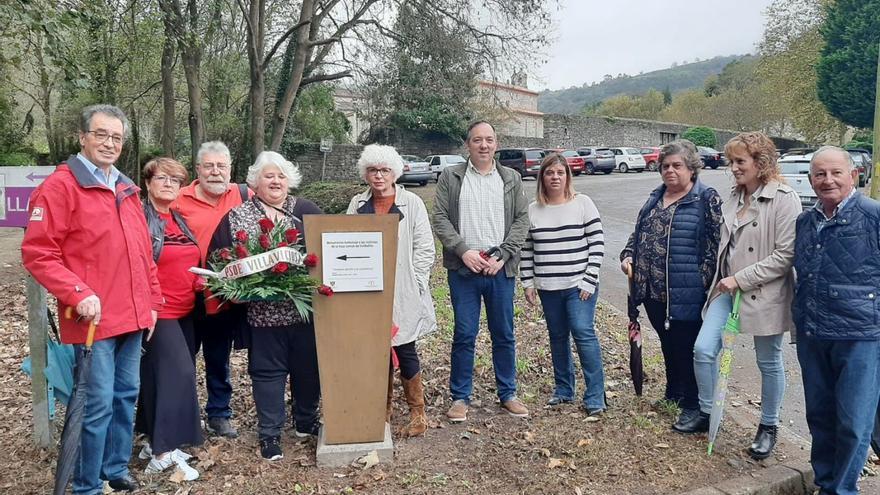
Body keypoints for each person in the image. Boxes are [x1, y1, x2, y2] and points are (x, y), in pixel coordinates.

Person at [21, 104, 162, 494]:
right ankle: (86, 483)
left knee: (124, 396)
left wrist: (152, 303)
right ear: (82, 137)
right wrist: (77, 292)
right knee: (96, 404)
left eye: (116, 137)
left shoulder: (126, 188)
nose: (109, 143)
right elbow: (38, 253)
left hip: (133, 315)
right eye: (101, 134)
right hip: (92, 320)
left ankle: (114, 468)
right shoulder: (60, 187)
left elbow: (142, 253)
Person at [690, 133, 800, 459]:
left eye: (741, 161)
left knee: (768, 361)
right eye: (731, 162)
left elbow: (785, 256)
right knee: (703, 348)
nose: (734, 168)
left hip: (764, 291)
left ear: (761, 162)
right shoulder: (734, 197)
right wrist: (723, 280)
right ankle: (708, 413)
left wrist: (741, 278)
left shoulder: (784, 198)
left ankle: (768, 426)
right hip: (726, 288)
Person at [209, 151, 323, 461]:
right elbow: (219, 261)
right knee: (267, 373)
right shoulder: (237, 217)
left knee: (308, 369)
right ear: (255, 182)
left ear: (290, 181)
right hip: (262, 314)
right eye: (268, 175)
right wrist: (230, 290)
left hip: (306, 312)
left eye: (281, 176)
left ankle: (305, 421)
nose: (275, 181)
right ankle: (270, 434)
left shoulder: (307, 212)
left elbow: (329, 249)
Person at [793, 145, 880, 495]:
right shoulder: (805, 221)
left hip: (860, 336)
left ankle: (841, 490)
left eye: (835, 173)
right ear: (811, 179)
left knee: (853, 423)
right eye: (820, 174)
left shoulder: (874, 216)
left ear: (853, 176)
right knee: (820, 418)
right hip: (813, 334)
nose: (827, 180)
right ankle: (825, 482)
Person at [619, 140, 722, 431]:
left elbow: (716, 246)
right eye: (665, 166)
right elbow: (639, 233)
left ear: (691, 168)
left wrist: (702, 280)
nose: (670, 171)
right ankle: (674, 392)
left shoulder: (705, 199)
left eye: (677, 165)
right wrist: (628, 255)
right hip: (651, 291)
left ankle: (693, 403)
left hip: (685, 291)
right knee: (667, 343)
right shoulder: (656, 197)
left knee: (686, 346)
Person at [433, 120, 530, 422]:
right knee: (464, 333)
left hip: (499, 269)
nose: (483, 145)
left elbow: (521, 221)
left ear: (496, 143)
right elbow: (439, 217)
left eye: (489, 140)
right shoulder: (451, 176)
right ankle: (460, 397)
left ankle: (508, 393)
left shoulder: (511, 178)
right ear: (468, 145)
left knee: (504, 333)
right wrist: (464, 252)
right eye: (477, 140)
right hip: (464, 270)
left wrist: (502, 254)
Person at [346, 144, 437, 436]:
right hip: (367, 290)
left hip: (403, 288)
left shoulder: (412, 204)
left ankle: (417, 413)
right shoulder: (357, 204)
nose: (378, 176)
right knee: (375, 351)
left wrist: (416, 281)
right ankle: (380, 412)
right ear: (365, 173)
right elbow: (345, 241)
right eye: (373, 170)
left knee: (405, 346)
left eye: (384, 170)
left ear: (394, 172)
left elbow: (425, 248)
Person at [171, 141, 250, 439]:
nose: (215, 172)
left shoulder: (244, 196)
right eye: (209, 166)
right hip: (185, 296)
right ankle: (183, 416)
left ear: (230, 169)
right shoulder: (178, 199)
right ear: (198, 170)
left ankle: (219, 414)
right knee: (182, 360)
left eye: (221, 166)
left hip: (224, 296)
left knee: (219, 359)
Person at [520, 153, 607, 414]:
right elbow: (527, 249)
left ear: (567, 175)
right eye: (550, 173)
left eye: (560, 172)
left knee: (582, 332)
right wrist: (528, 282)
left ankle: (595, 395)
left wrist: (589, 279)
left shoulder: (583, 203)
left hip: (578, 284)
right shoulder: (534, 210)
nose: (555, 177)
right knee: (557, 337)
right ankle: (564, 389)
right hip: (549, 286)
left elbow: (597, 243)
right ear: (542, 177)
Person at [135, 158, 204, 480]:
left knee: (160, 379)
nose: (168, 184)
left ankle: (153, 442)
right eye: (161, 178)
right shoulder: (139, 217)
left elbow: (186, 261)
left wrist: (203, 280)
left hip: (185, 311)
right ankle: (163, 453)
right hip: (156, 311)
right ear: (147, 182)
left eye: (175, 180)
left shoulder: (178, 218)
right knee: (180, 374)